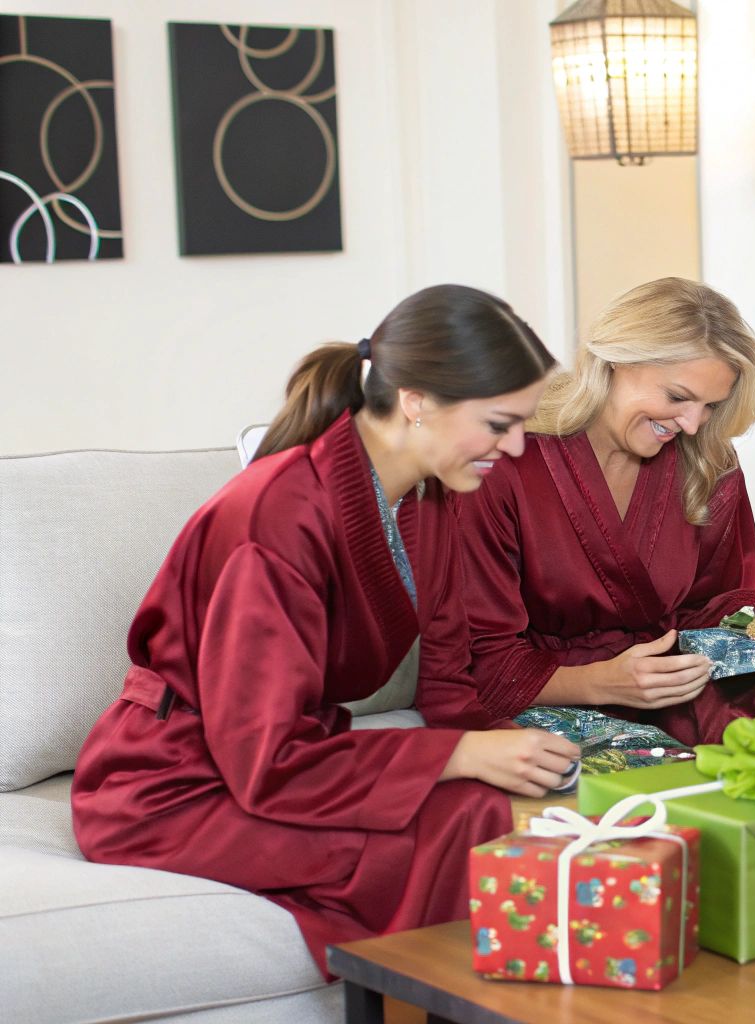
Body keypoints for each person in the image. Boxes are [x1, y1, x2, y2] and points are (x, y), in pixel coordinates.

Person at [72, 285, 581, 976]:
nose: (516, 447)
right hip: (174, 787)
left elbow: (448, 667)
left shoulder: (429, 494)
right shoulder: (276, 518)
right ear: (417, 399)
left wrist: (501, 750)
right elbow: (266, 759)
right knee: (439, 836)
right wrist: (453, 756)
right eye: (499, 423)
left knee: (490, 812)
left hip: (268, 764)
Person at [457, 277, 755, 744]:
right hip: (550, 697)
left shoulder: (707, 462)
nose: (692, 423)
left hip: (675, 676)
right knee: (696, 777)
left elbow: (716, 605)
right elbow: (481, 659)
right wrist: (604, 680)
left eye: (710, 405)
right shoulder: (504, 462)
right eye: (678, 397)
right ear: (615, 362)